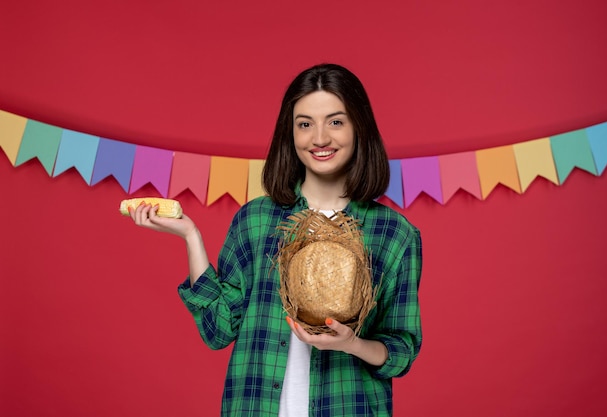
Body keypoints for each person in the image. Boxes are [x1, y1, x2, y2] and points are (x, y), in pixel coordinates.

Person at [128, 63, 422, 416]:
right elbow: (218, 331)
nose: (319, 138)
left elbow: (400, 351)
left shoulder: (394, 234)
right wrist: (191, 236)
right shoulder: (256, 221)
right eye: (304, 124)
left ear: (360, 128)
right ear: (290, 133)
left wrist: (352, 344)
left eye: (336, 121)